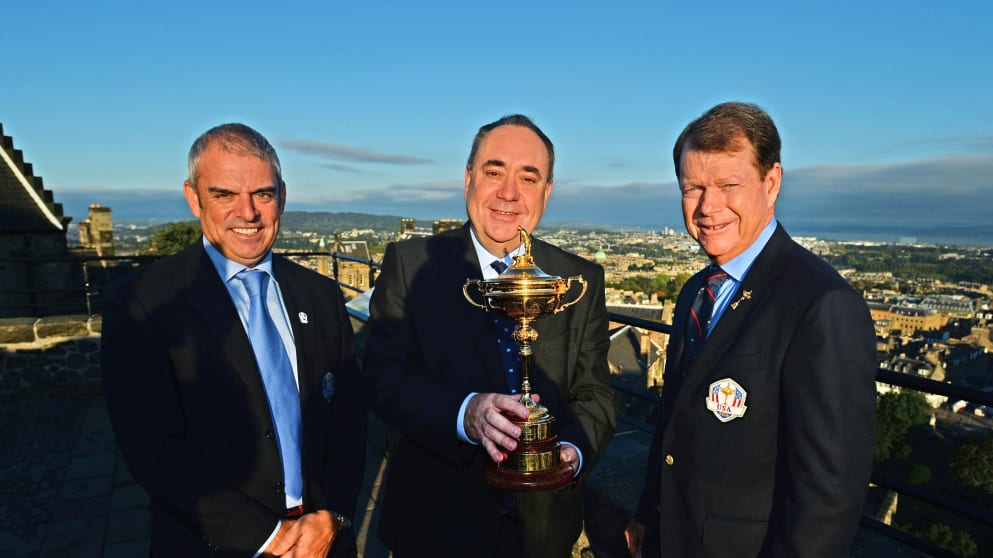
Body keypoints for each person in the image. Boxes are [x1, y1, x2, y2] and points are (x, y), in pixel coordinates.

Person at [101, 123, 366, 557]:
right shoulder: (144, 302)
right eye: (224, 194)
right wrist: (270, 537)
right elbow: (153, 449)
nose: (248, 213)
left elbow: (348, 423)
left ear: (281, 195)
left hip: (321, 542)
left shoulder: (319, 295)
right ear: (193, 197)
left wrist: (332, 517)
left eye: (262, 194)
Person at [625, 102, 877, 557]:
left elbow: (828, 494)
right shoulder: (695, 293)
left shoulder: (821, 303)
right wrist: (648, 514)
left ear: (772, 182)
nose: (707, 206)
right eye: (693, 188)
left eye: (728, 185)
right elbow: (673, 427)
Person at [360, 114, 616, 557]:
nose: (509, 193)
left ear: (547, 191)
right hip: (436, 526)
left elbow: (594, 393)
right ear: (468, 179)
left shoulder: (578, 279)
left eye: (528, 177)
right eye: (494, 172)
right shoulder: (410, 264)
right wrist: (466, 414)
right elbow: (382, 378)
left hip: (542, 533)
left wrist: (571, 451)